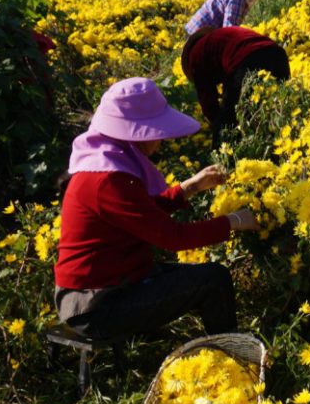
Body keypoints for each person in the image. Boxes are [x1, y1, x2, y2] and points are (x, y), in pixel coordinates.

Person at [55, 77, 260, 341]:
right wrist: (234, 220)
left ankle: (223, 348)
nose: (160, 141)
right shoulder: (106, 180)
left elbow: (140, 212)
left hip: (113, 283)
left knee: (205, 277)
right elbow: (173, 237)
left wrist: (188, 188)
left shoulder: (105, 162)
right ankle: (230, 355)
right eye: (156, 133)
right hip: (94, 307)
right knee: (213, 280)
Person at [181, 26, 290, 135]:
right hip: (278, 54)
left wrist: (215, 122)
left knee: (227, 121)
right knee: (280, 108)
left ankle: (222, 150)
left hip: (249, 59)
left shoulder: (195, 55)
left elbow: (206, 95)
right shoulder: (218, 40)